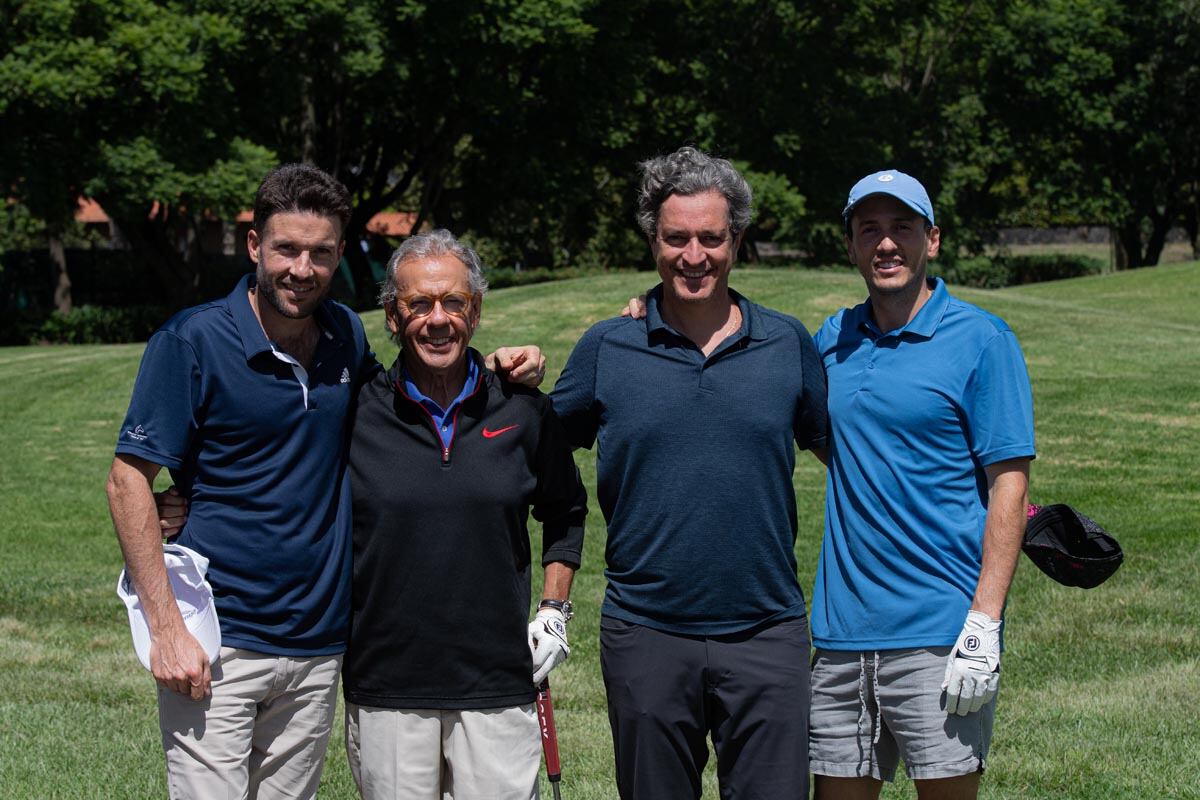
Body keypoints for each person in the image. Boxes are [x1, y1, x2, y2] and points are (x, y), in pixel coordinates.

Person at [107, 163, 544, 800]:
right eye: (286, 249)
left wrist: (502, 366)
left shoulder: (344, 336)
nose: (301, 269)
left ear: (339, 255)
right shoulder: (192, 342)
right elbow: (127, 481)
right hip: (218, 642)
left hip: (318, 647)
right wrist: (167, 630)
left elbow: (416, 393)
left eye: (320, 253)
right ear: (256, 246)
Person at [551, 146, 829, 799]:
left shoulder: (787, 343)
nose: (694, 256)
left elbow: (849, 460)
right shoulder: (606, 347)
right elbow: (531, 451)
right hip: (646, 632)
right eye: (676, 238)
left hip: (766, 630)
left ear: (737, 240)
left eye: (711, 238)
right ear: (653, 239)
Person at [808, 170, 1035, 799]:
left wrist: (984, 623)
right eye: (870, 230)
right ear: (851, 246)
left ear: (931, 240)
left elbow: (1008, 485)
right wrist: (652, 307)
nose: (886, 243)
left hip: (940, 634)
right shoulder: (831, 341)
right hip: (840, 636)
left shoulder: (982, 340)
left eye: (902, 227)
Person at [340, 230, 588, 800]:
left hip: (497, 679)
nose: (438, 319)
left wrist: (554, 607)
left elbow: (565, 510)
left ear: (475, 312)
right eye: (419, 304)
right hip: (387, 684)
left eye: (454, 302)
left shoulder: (523, 410)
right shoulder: (357, 412)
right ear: (391, 316)